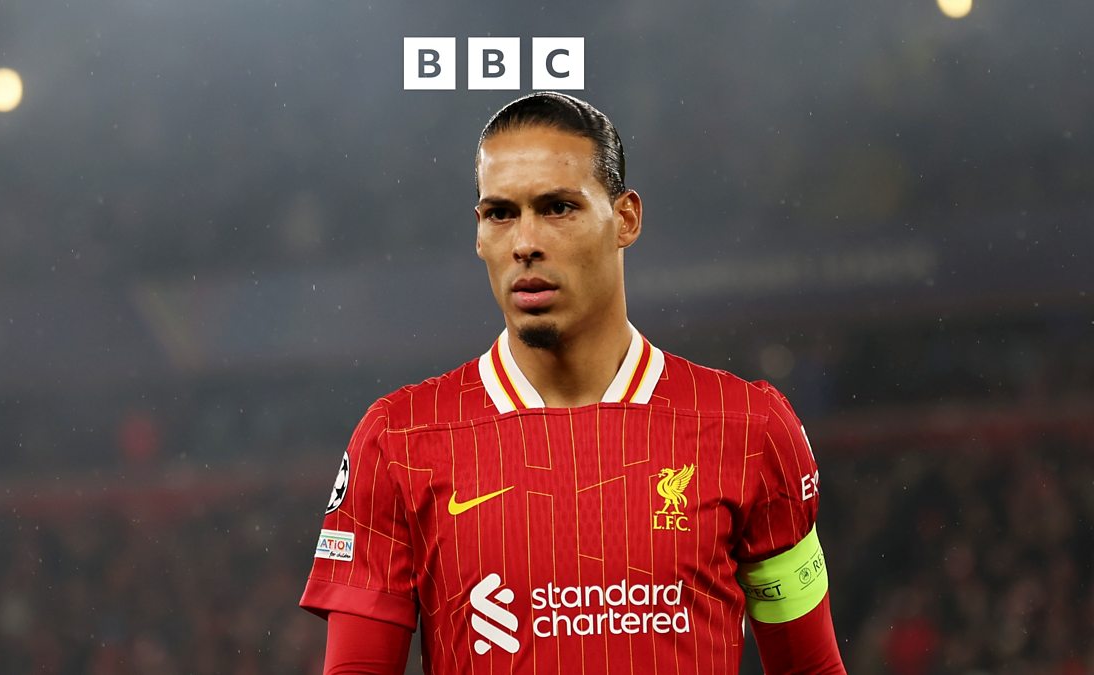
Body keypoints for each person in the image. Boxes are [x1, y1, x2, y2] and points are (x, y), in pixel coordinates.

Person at [300, 92, 846, 674]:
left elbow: (811, 670)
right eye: (500, 213)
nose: (525, 243)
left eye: (558, 207)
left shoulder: (748, 427)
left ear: (626, 219)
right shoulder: (400, 438)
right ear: (479, 233)